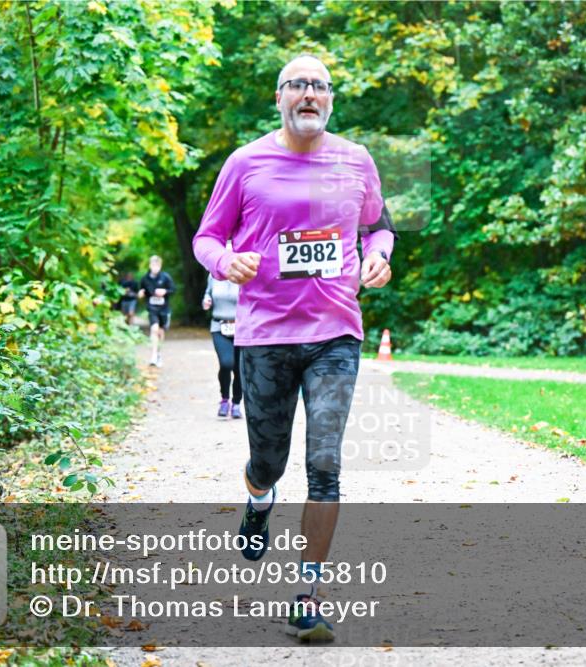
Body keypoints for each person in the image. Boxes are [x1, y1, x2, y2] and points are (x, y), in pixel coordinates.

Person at [192, 53, 395, 641]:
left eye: (320, 86)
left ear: (330, 99)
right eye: (297, 85)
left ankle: (307, 595)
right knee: (268, 462)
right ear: (279, 97)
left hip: (335, 334)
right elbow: (207, 237)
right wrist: (226, 261)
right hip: (266, 336)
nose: (309, 93)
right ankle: (259, 499)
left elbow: (378, 227)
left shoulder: (356, 160)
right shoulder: (246, 162)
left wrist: (380, 255)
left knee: (325, 465)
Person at [202, 268, 243, 419]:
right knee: (226, 363)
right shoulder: (213, 275)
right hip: (219, 326)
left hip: (240, 328)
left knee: (239, 368)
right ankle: (224, 399)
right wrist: (206, 300)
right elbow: (207, 293)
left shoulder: (242, 274)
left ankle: (236, 402)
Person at [138, 255, 175, 367]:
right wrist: (140, 294)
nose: (155, 267)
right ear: (150, 265)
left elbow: (173, 290)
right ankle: (153, 355)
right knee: (154, 329)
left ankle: (158, 353)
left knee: (160, 332)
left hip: (164, 309)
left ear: (160, 266)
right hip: (152, 309)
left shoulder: (165, 277)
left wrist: (165, 291)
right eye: (153, 265)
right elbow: (142, 291)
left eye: (157, 265)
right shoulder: (145, 279)